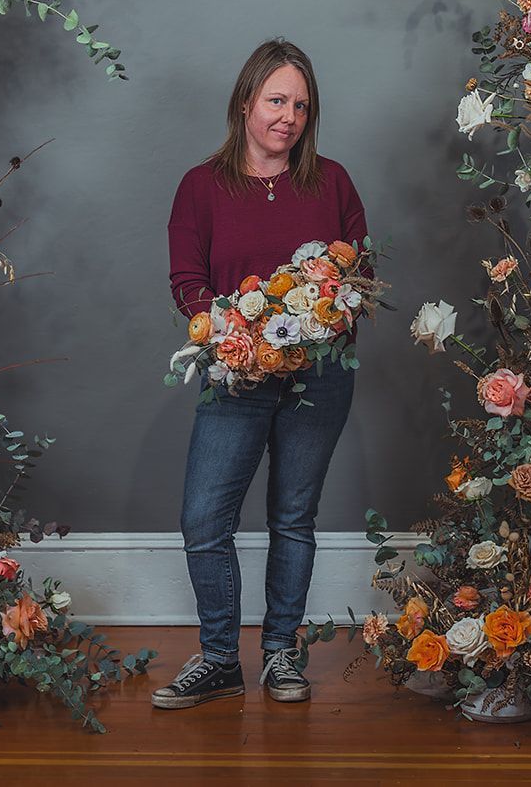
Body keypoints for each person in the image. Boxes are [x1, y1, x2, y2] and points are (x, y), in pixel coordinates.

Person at [152, 39, 369, 709]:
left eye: (301, 106)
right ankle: (220, 658)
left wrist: (329, 312)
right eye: (277, 101)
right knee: (204, 520)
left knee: (293, 518)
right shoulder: (202, 186)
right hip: (237, 375)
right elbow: (187, 280)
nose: (289, 117)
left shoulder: (332, 181)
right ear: (246, 101)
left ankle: (281, 653)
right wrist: (228, 331)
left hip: (319, 378)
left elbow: (360, 271)